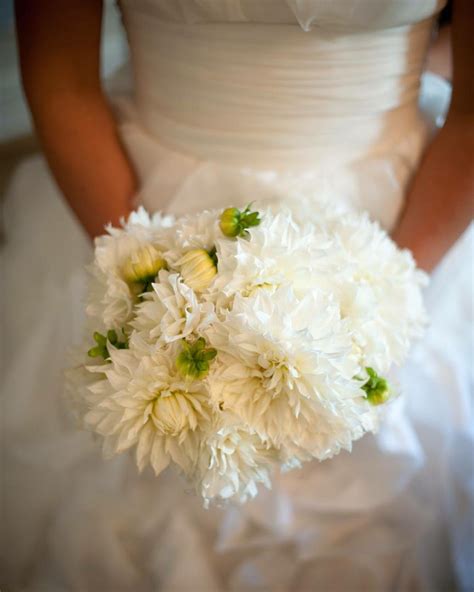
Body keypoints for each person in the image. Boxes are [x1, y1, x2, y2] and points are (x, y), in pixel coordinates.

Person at [3, 0, 472, 590]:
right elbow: (60, 80)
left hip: (406, 216)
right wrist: (148, 286)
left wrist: (385, 292)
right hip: (133, 199)